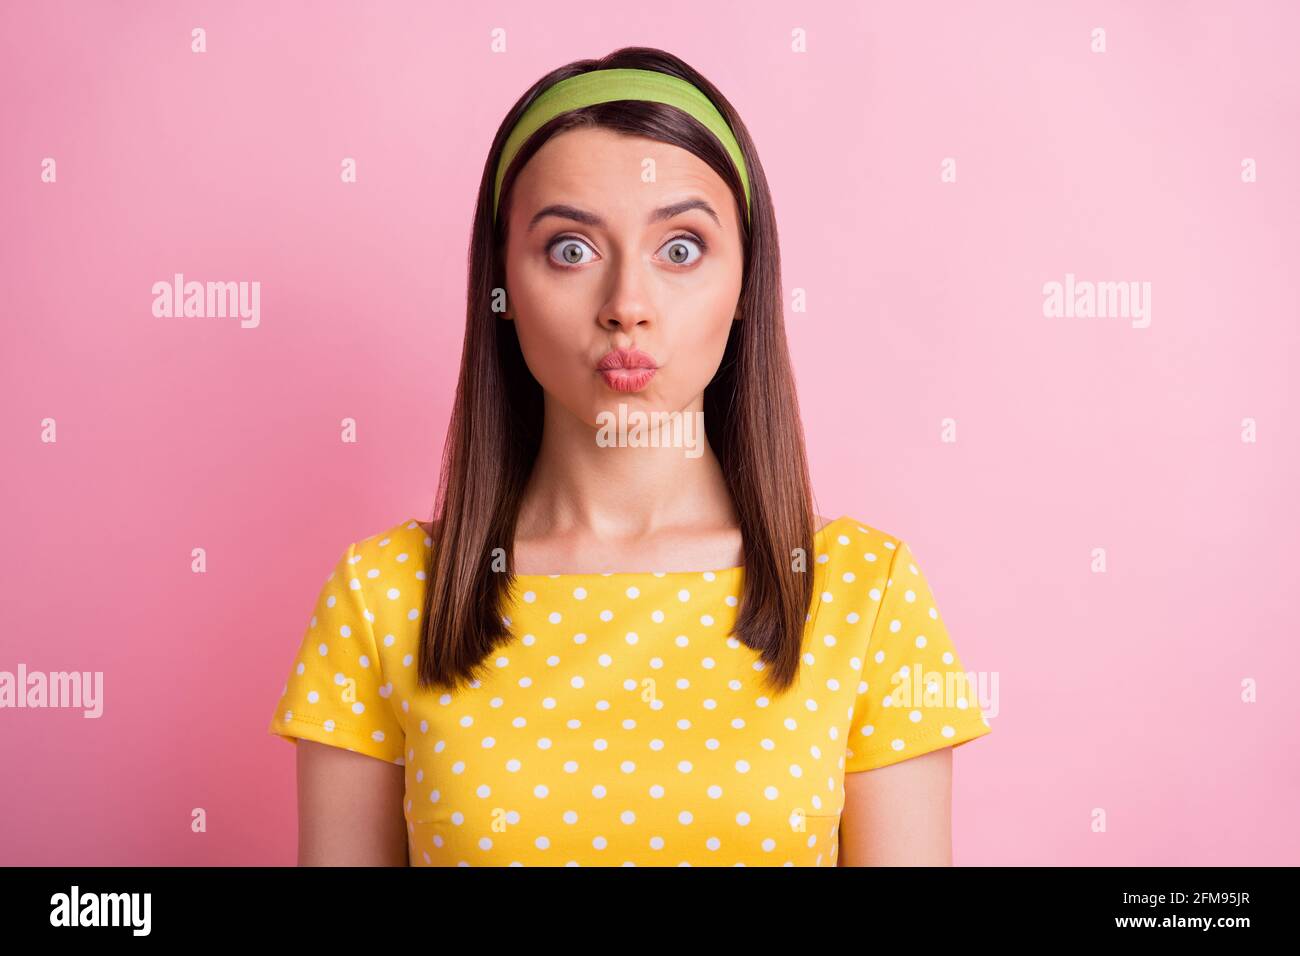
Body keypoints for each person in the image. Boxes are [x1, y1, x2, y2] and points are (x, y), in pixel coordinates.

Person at [268, 46, 991, 867]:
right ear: (500, 285)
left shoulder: (865, 596)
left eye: (680, 249)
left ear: (748, 282)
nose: (627, 308)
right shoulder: (384, 598)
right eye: (571, 250)